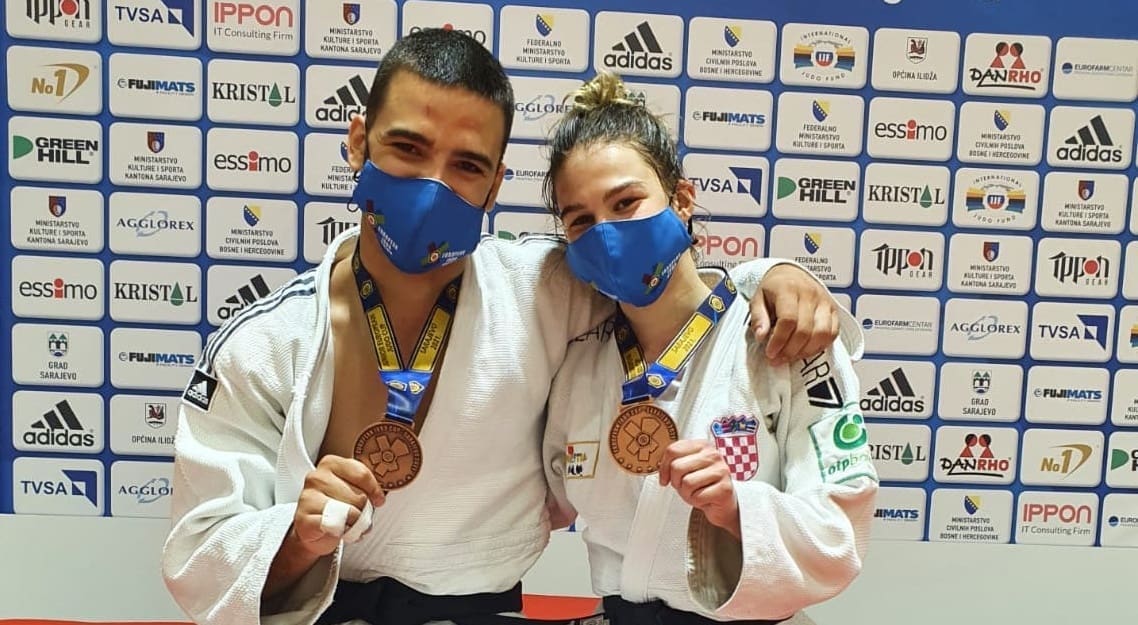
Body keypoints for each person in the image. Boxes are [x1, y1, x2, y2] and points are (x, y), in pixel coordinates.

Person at [160, 30, 861, 625]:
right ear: (358, 142)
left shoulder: (543, 288)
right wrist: (296, 542)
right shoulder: (264, 343)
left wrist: (770, 277)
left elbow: (673, 291)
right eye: (408, 148)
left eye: (466, 165)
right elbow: (198, 550)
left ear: (493, 185)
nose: (434, 185)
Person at [541, 73, 878, 625]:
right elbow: (541, 501)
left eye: (626, 203)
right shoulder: (578, 361)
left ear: (682, 200)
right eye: (581, 220)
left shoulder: (783, 337)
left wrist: (735, 510)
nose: (605, 232)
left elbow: (840, 529)